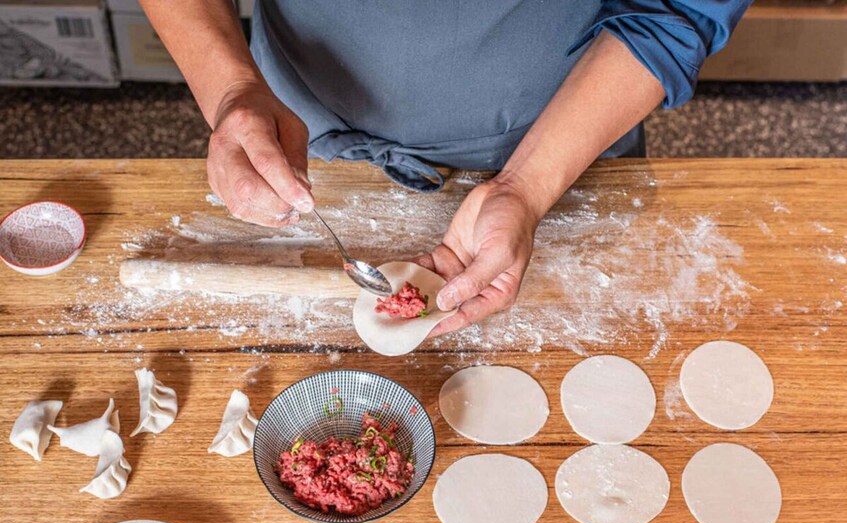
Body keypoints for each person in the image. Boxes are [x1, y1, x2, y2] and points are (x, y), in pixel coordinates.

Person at [141, 0, 750, 336]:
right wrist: (229, 90)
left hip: (568, 134)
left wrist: (525, 185)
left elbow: (677, 7)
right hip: (299, 126)